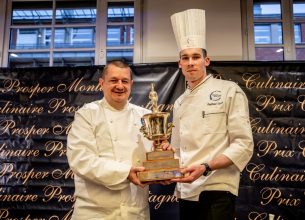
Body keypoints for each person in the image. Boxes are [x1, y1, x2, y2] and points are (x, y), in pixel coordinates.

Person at [169, 9, 254, 220]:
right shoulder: (179, 102)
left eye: (196, 57)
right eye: (185, 58)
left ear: (207, 61)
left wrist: (206, 166)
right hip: (186, 190)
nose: (190, 62)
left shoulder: (229, 90)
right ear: (179, 64)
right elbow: (178, 148)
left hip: (217, 188)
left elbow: (243, 144)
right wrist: (166, 160)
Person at [67, 60, 169, 220]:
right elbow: (81, 160)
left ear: (131, 84)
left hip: (135, 211)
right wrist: (126, 172)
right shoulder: (87, 114)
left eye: (124, 81)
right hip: (94, 212)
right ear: (102, 83)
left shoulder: (146, 116)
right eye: (113, 80)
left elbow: (151, 158)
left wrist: (162, 157)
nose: (120, 86)